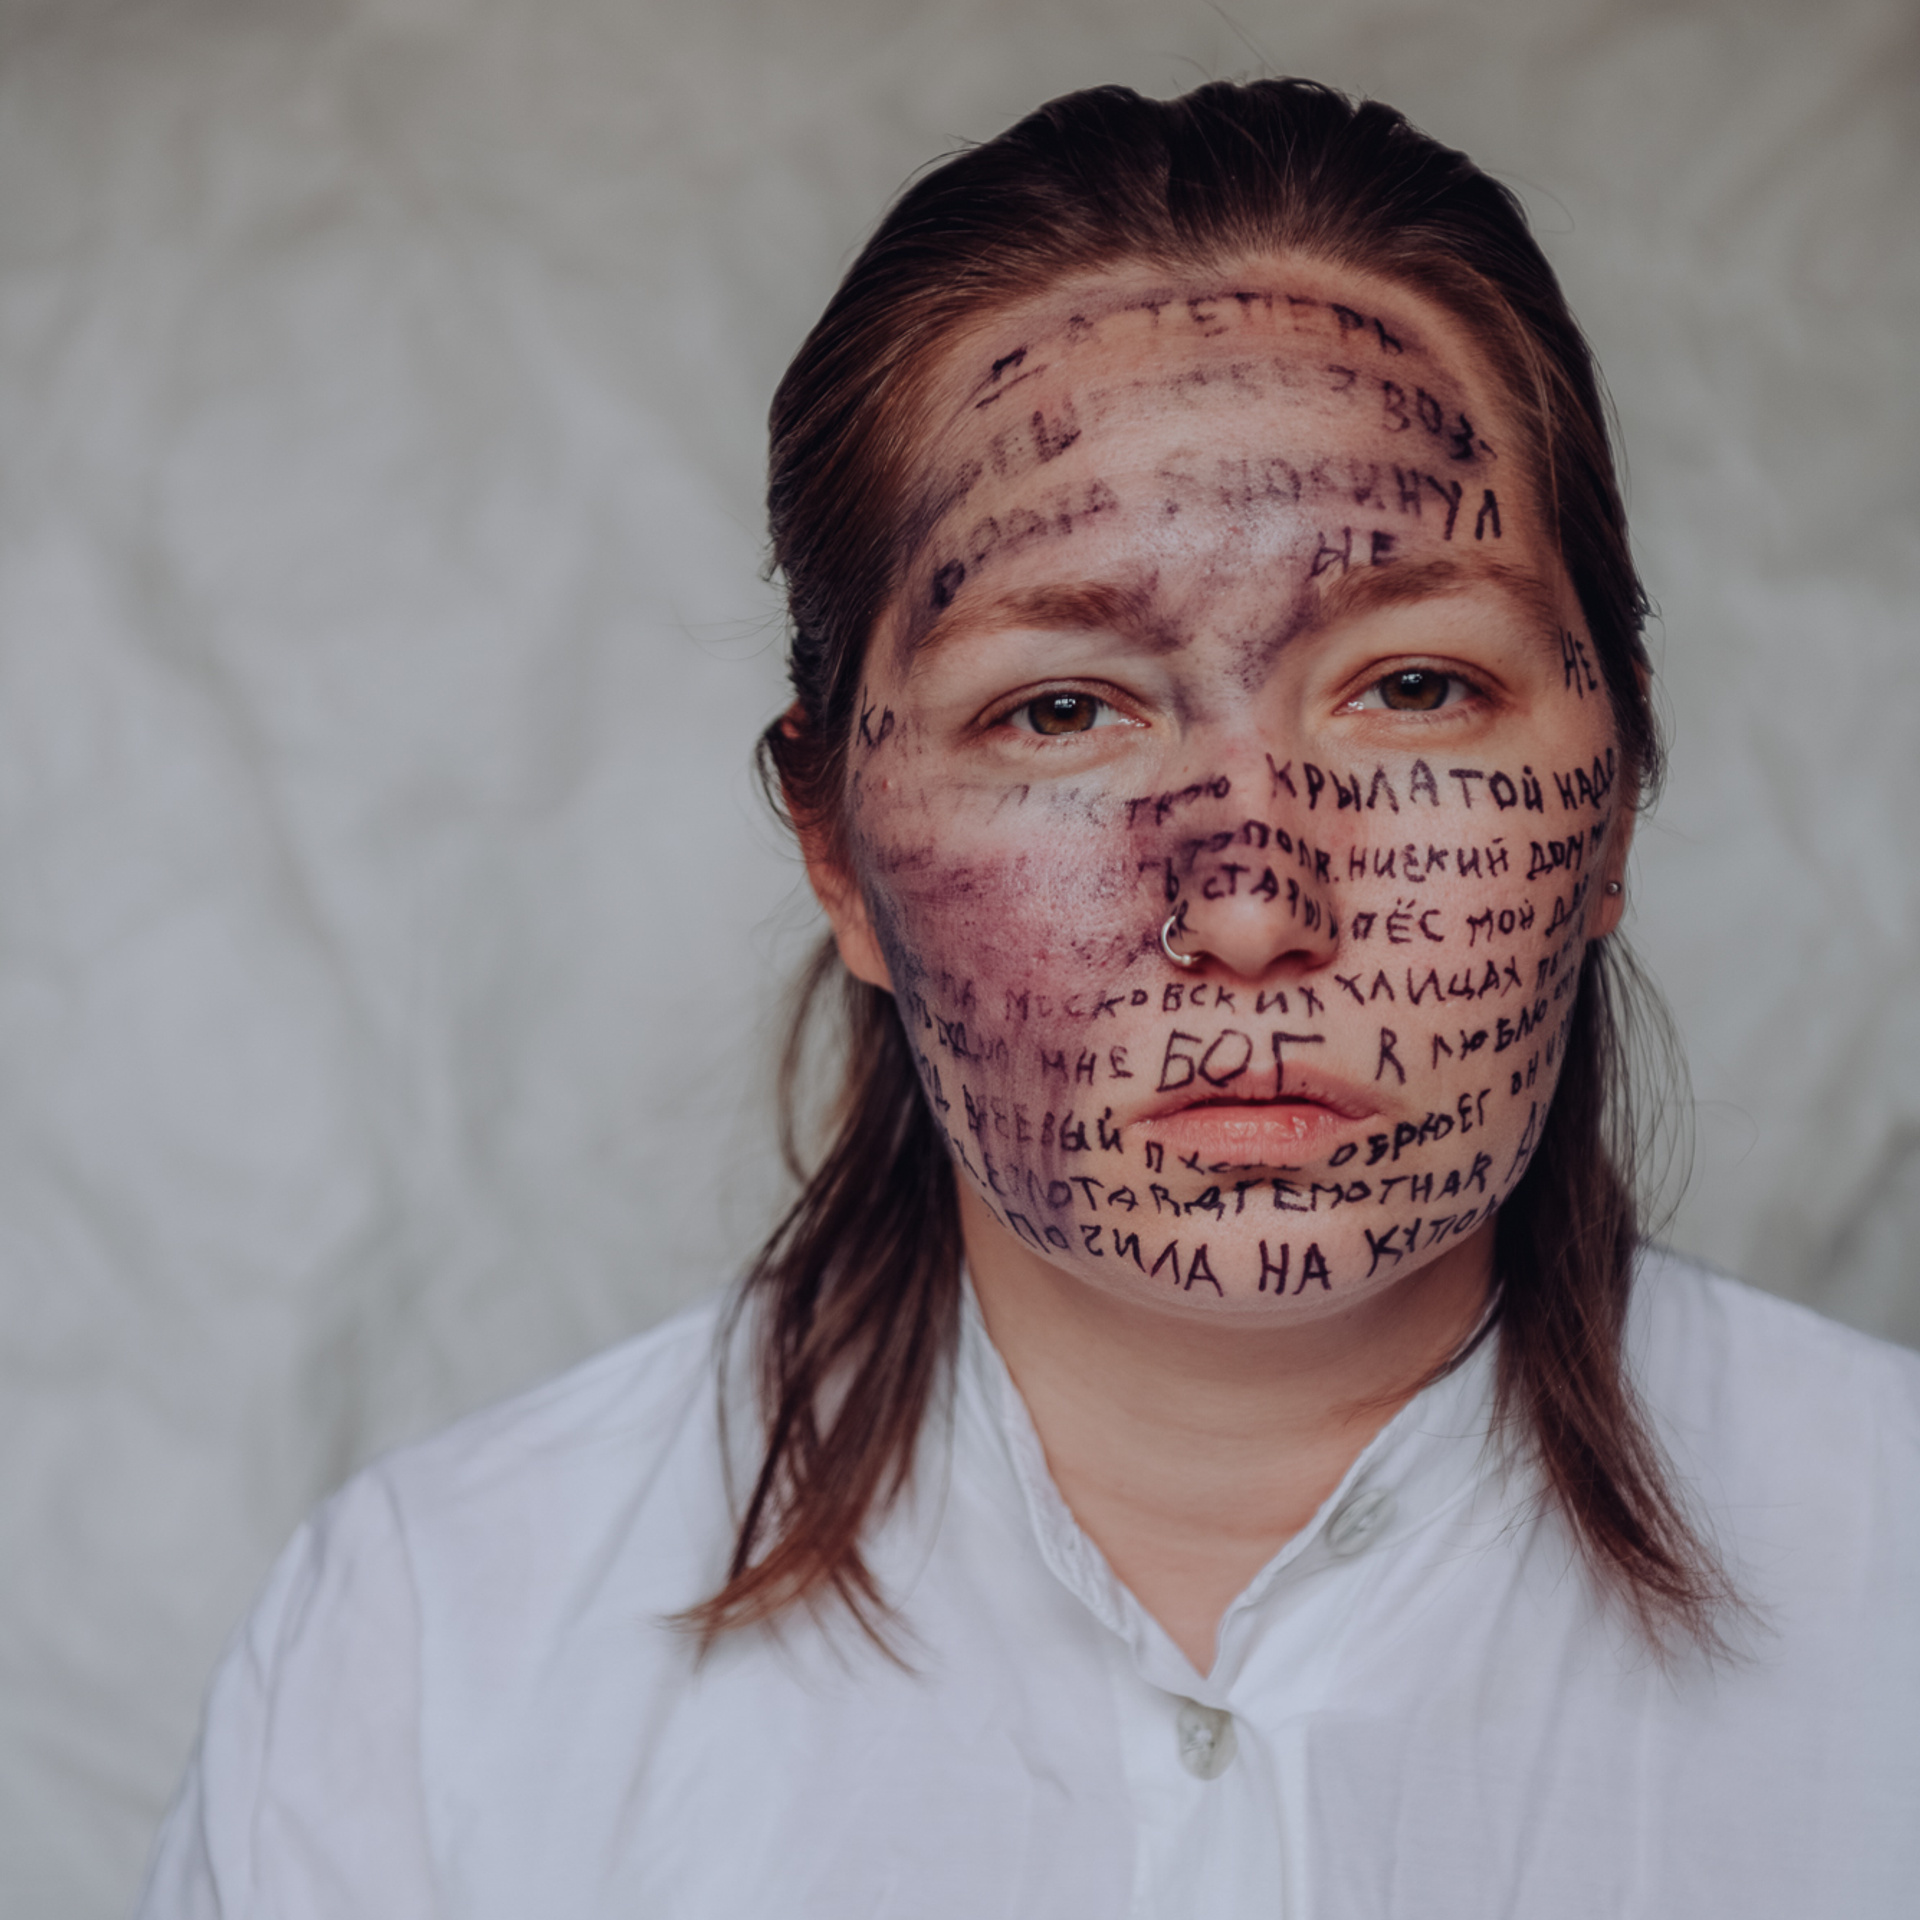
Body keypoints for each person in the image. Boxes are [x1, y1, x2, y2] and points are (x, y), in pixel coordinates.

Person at [136, 79, 1920, 1919]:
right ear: (840, 854)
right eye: (1059, 710)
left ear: (1615, 787)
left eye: (1412, 689)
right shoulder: (430, 1658)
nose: (1247, 908)